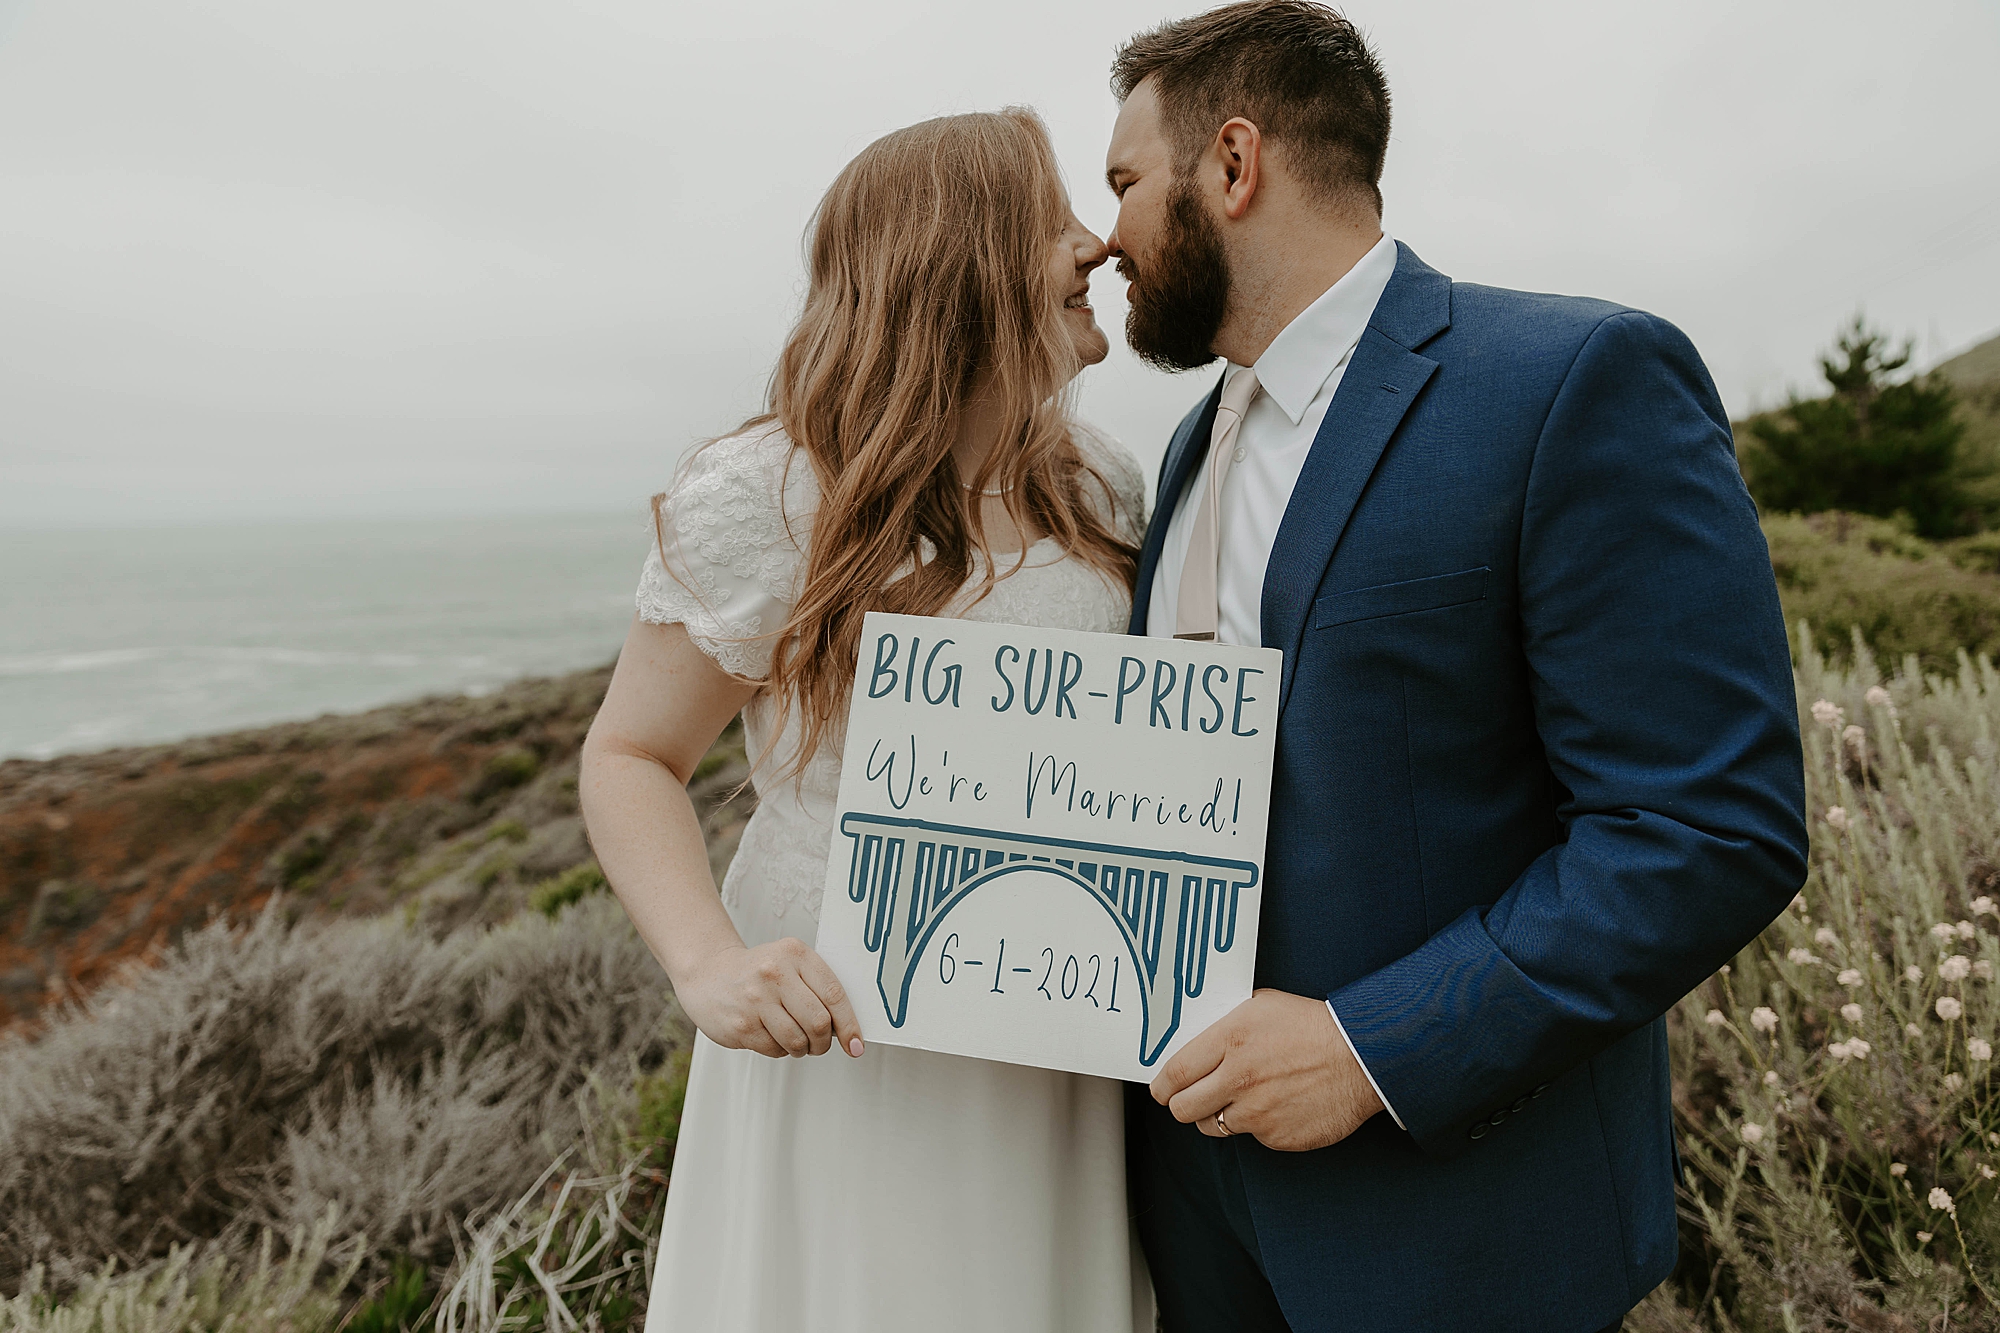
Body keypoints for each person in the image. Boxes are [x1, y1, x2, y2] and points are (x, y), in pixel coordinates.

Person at [1101, 4, 1809, 1331]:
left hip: (1462, 1229)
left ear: (1234, 165)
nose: (1102, 237)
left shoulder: (1570, 379)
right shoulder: (1192, 447)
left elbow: (1708, 827)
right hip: (1194, 1224)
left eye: (1126, 183)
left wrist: (1374, 1049)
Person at [578, 108, 1155, 1333]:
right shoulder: (772, 495)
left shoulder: (1100, 481)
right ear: (963, 259)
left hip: (1053, 1011)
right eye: (1053, 219)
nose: (1094, 244)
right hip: (844, 1023)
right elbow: (632, 756)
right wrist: (708, 966)